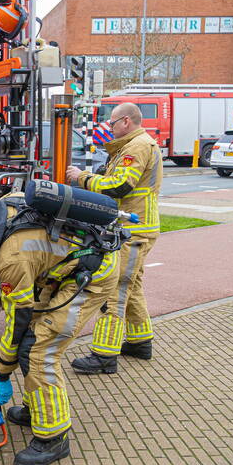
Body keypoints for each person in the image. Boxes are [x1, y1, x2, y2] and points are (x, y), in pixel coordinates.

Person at [0, 192, 120, 465]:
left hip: (92, 274)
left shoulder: (11, 258)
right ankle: (36, 409)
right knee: (31, 342)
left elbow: (18, 319)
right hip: (58, 270)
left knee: (41, 351)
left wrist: (1, 374)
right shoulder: (2, 208)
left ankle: (53, 437)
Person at [65, 101, 162, 373]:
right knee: (133, 285)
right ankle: (141, 341)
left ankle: (104, 356)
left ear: (126, 122)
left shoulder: (137, 147)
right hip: (138, 226)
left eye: (113, 123)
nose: (110, 128)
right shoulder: (135, 145)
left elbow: (119, 185)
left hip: (133, 229)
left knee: (115, 288)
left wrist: (82, 178)